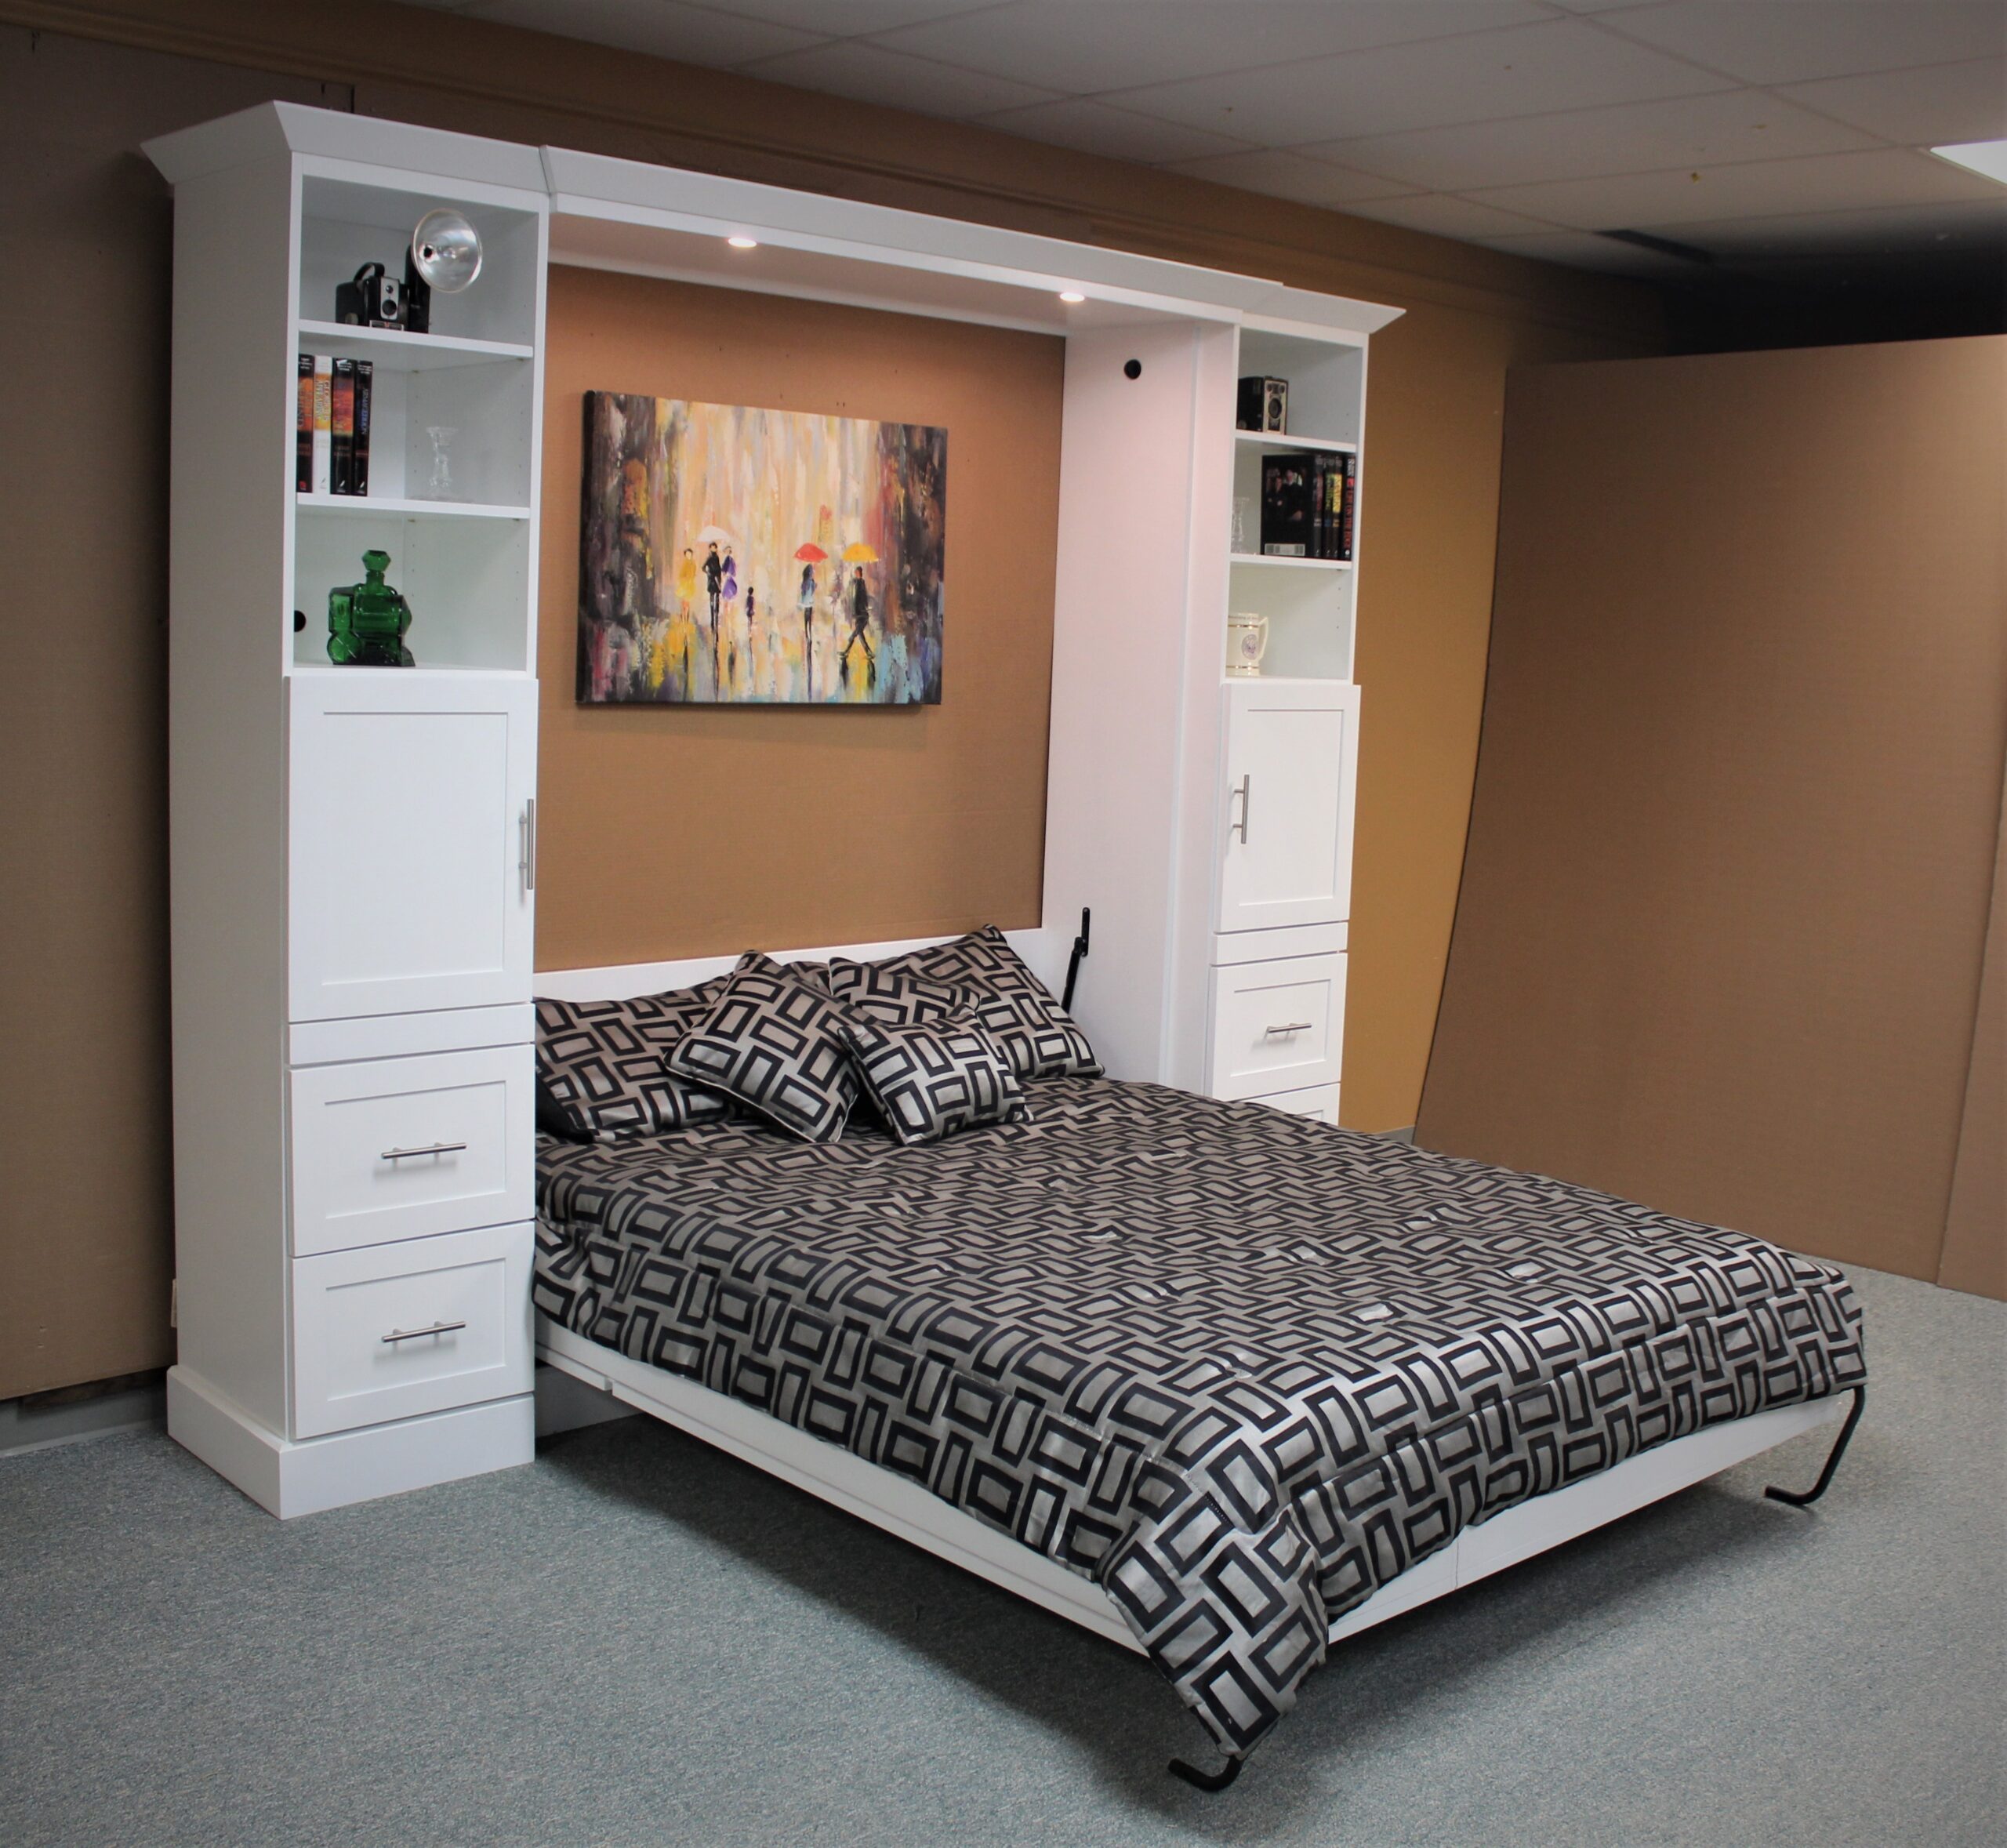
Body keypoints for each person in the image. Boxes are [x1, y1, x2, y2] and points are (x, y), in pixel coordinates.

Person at [840, 565, 875, 690]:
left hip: (862, 614)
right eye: (855, 572)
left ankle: (846, 651)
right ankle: (867, 652)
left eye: (856, 572)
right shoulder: (855, 583)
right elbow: (853, 598)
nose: (855, 573)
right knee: (860, 636)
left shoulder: (861, 584)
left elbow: (862, 598)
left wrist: (864, 608)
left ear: (860, 573)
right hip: (858, 614)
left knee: (855, 634)